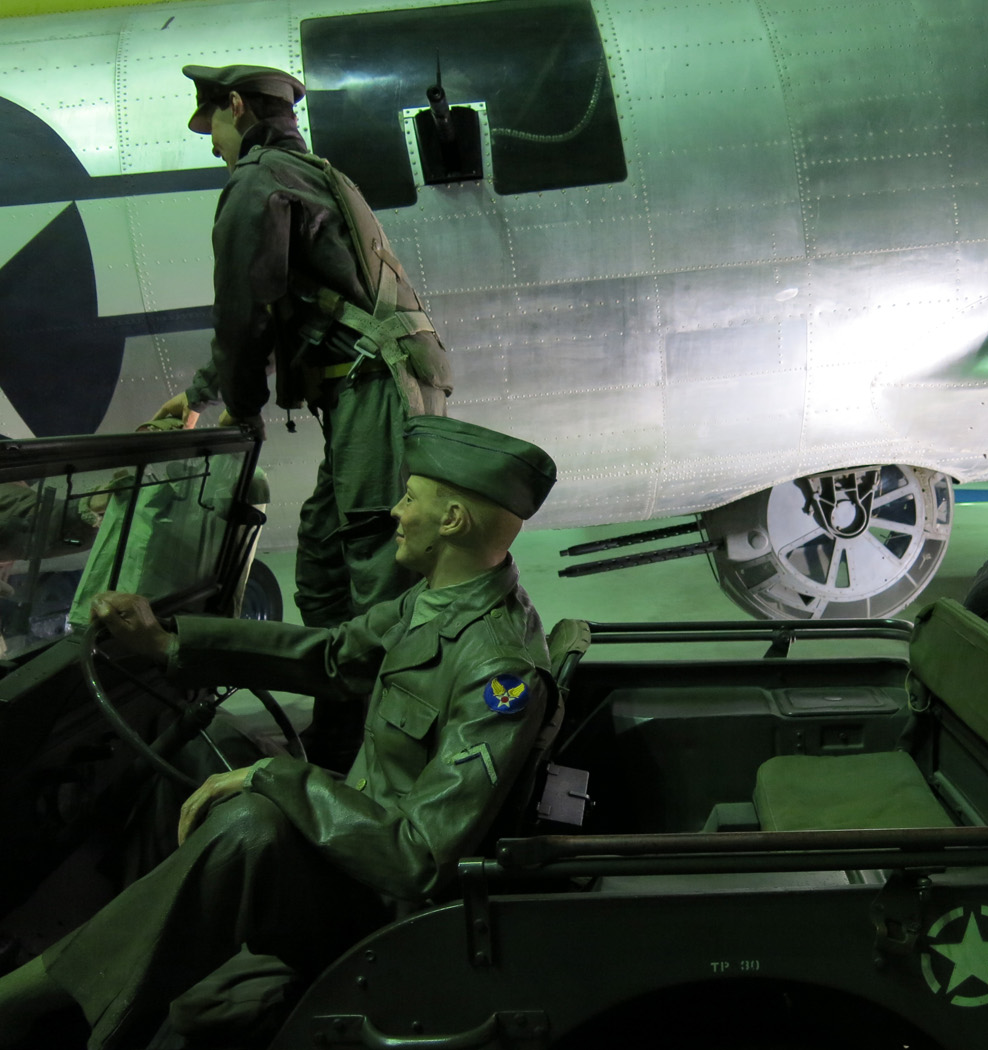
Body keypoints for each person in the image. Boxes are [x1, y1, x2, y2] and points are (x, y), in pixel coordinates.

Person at [0, 417, 557, 1050]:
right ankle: (137, 953)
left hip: (391, 906)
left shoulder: (498, 670)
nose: (396, 513)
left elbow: (419, 858)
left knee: (251, 825)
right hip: (361, 844)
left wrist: (275, 777)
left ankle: (34, 1000)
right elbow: (331, 656)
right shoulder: (437, 600)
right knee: (208, 743)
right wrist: (168, 643)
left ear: (452, 520)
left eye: (409, 498)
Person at [154, 63, 453, 630]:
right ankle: (335, 685)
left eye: (212, 127)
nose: (214, 147)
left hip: (376, 386)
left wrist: (242, 410)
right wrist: (200, 394)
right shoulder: (305, 172)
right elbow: (287, 307)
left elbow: (245, 313)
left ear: (237, 106)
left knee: (379, 561)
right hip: (371, 386)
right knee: (324, 560)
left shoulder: (258, 181)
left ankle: (389, 686)